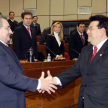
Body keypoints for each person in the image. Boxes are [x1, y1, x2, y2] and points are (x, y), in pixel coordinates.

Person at [41, 15, 108, 108]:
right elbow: (75, 70)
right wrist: (54, 80)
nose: (87, 31)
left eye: (91, 28)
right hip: (84, 102)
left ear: (102, 31)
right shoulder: (86, 50)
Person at [0, 15, 57, 108]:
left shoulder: (4, 46)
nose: (11, 31)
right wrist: (38, 84)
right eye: (8, 28)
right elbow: (8, 77)